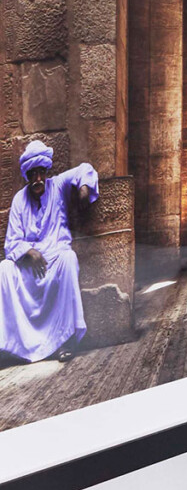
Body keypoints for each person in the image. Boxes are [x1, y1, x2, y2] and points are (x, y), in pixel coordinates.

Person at [0, 139, 99, 363]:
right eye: (32, 174)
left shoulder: (58, 185)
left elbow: (85, 169)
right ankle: (10, 346)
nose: (38, 179)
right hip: (29, 268)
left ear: (46, 172)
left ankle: (65, 340)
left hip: (55, 260)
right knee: (4, 269)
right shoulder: (19, 200)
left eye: (41, 173)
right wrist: (28, 251)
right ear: (27, 175)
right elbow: (12, 241)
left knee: (69, 258)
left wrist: (83, 188)